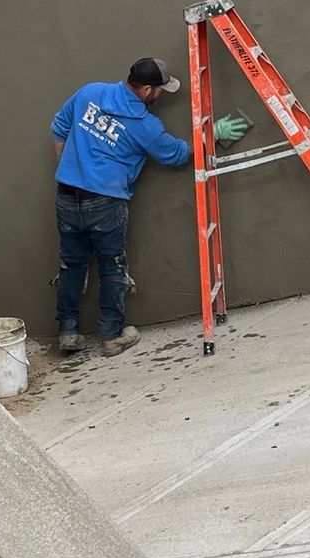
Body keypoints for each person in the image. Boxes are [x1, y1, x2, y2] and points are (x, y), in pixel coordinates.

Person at [50, 57, 250, 356]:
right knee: (112, 266)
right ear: (146, 90)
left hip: (66, 195)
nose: (161, 95)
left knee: (72, 264)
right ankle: (112, 337)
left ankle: (68, 333)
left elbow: (59, 127)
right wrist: (212, 135)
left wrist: (70, 168)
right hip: (105, 202)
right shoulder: (145, 126)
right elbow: (176, 154)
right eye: (160, 90)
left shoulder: (90, 92)